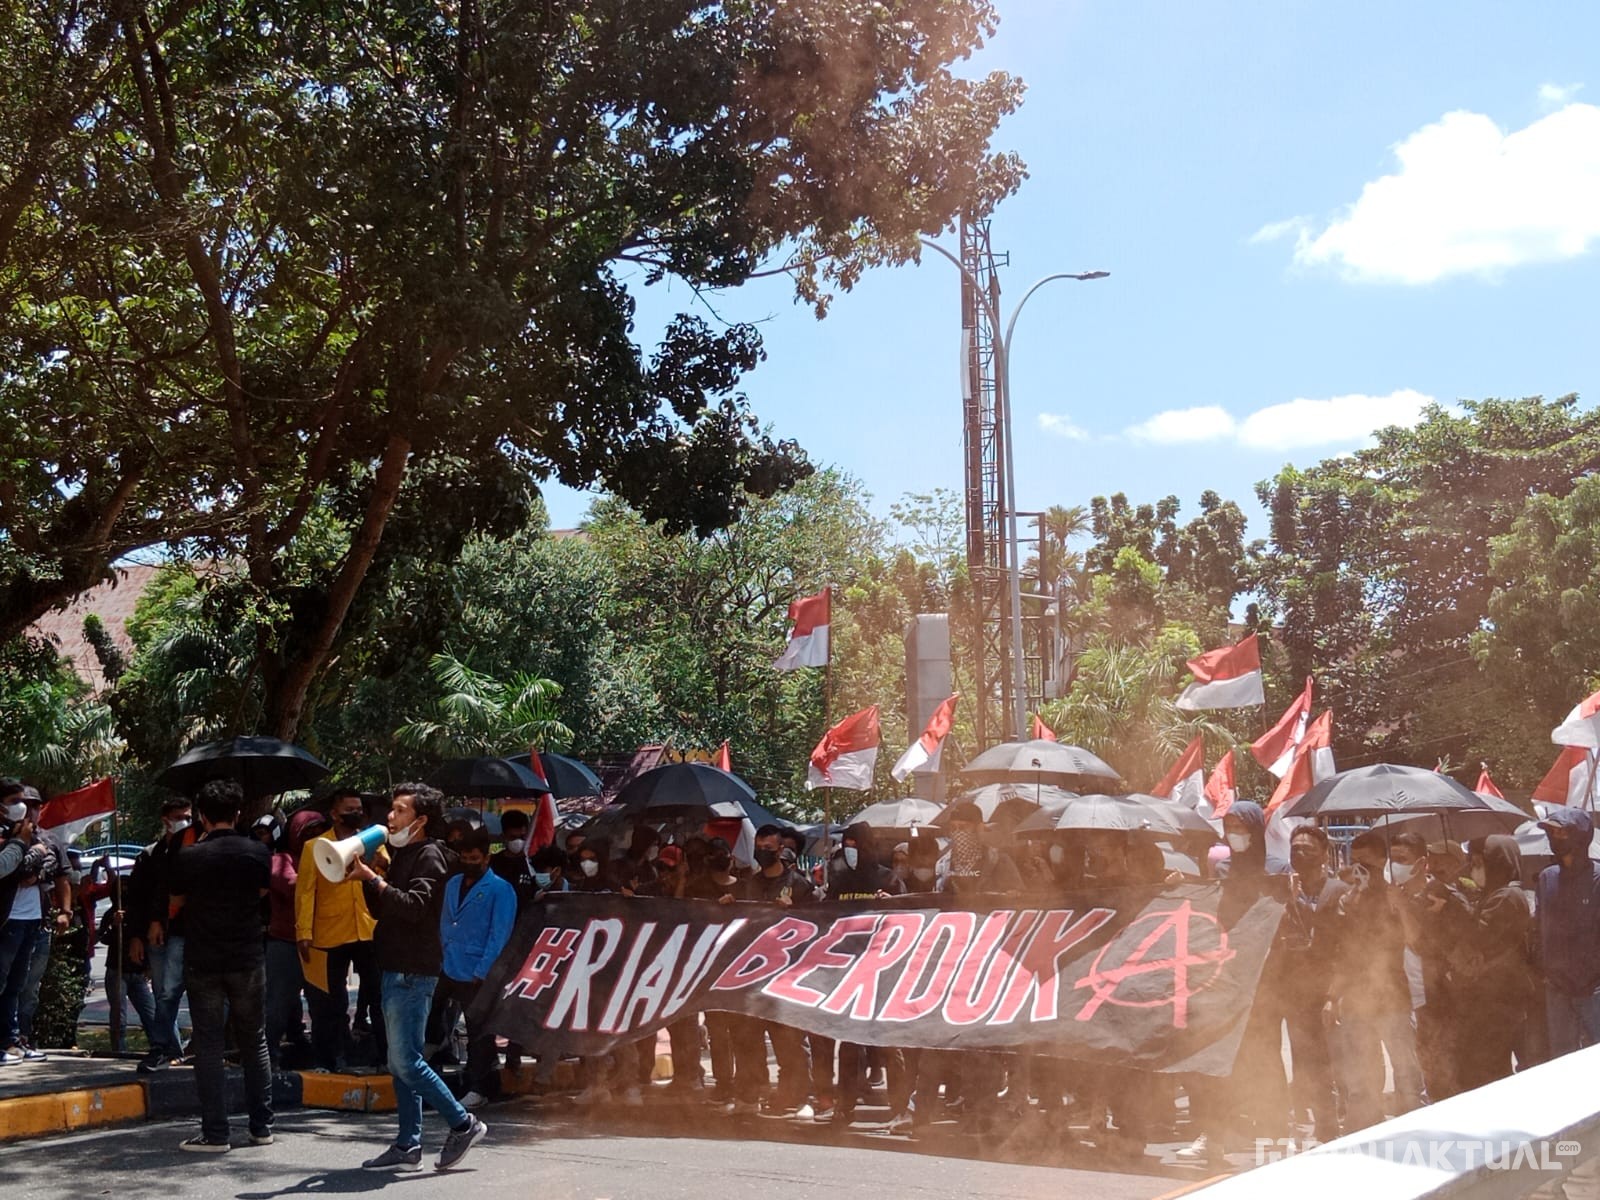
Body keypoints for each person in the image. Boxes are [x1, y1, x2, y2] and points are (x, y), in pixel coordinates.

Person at [347, 782, 487, 1172]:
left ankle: (463, 1123)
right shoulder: (404, 855)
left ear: (421, 820)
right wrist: (370, 877)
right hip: (395, 965)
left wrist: (373, 879)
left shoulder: (430, 856)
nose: (390, 817)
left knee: (407, 1062)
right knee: (399, 1063)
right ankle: (408, 1144)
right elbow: (384, 911)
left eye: (400, 810)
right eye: (391, 810)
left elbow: (413, 907)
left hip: (413, 970)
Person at [169, 779, 274, 1151]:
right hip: (247, 955)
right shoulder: (258, 852)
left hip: (204, 957)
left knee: (209, 1045)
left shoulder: (189, 856)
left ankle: (215, 1132)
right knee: (254, 1040)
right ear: (238, 813)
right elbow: (262, 892)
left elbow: (176, 901)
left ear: (202, 815)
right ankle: (262, 1126)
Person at [1328, 829, 1424, 1132]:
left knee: (1406, 1073)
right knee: (1360, 1078)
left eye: (1367, 864)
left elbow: (1415, 940)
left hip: (1393, 997)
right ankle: (1365, 1131)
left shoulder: (1398, 895)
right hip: (1357, 1001)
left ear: (1383, 862)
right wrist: (1334, 997)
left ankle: (1415, 1131)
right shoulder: (1348, 899)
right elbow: (1342, 951)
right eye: (1356, 863)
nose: (1361, 870)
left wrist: (1400, 905)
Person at [724, 825, 820, 1116]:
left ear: (781, 850)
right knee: (748, 1040)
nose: (762, 853)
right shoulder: (747, 885)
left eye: (768, 848)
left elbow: (820, 924)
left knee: (789, 1041)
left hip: (787, 977)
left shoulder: (799, 886)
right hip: (751, 978)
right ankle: (750, 1096)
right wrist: (726, 908)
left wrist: (795, 911)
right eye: (759, 848)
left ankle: (796, 1098)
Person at [295, 789, 383, 1072]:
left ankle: (385, 1058)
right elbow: (305, 892)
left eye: (358, 809)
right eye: (349, 809)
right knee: (329, 1002)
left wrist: (379, 863)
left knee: (380, 997)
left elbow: (385, 877)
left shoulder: (372, 841)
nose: (355, 813)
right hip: (329, 933)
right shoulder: (315, 847)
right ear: (334, 814)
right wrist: (303, 932)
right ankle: (329, 1060)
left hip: (367, 930)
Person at [1387, 831, 1472, 1102]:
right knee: (1421, 1072)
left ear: (1421, 863)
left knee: (1445, 1074)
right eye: (1392, 858)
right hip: (1405, 998)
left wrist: (1402, 908)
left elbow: (1418, 943)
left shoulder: (1441, 897)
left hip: (1438, 999)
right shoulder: (1394, 896)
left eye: (1402, 859)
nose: (1395, 865)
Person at [437, 825, 518, 1110]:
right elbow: (446, 921)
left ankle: (479, 1087)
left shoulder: (500, 889)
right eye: (465, 858)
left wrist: (483, 971)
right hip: (449, 965)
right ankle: (482, 1082)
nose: (469, 863)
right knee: (438, 1023)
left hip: (479, 971)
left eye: (474, 858)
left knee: (478, 1032)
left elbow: (499, 935)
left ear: (486, 858)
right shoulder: (452, 883)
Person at [1283, 824, 1347, 1143]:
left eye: (1308, 849)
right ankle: (1314, 1128)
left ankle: (1339, 1125)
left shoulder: (1338, 891)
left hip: (1331, 991)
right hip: (1296, 993)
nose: (1300, 854)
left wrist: (1335, 995)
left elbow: (1346, 947)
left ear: (1323, 855)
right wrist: (1289, 901)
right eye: (1295, 849)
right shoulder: (1284, 892)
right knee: (1305, 1062)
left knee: (1336, 1062)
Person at [125, 796, 198, 1074]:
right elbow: (138, 899)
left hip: (191, 932)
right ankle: (165, 1048)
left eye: (188, 817)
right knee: (164, 994)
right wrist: (137, 935)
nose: (184, 822)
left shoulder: (196, 849)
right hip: (158, 935)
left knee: (185, 993)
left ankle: (178, 1048)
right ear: (166, 821)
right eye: (179, 817)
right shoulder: (151, 855)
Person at [1456, 834, 1535, 1089]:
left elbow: (1479, 935)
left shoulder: (1508, 896)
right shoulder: (1492, 894)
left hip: (1504, 996)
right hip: (1491, 996)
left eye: (1480, 864)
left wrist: (1453, 907)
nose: (1474, 870)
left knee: (1496, 1068)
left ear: (1498, 863)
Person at [7, 786, 71, 1062]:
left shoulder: (49, 839)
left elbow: (61, 877)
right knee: (5, 983)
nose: (29, 809)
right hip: (8, 920)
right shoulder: (9, 836)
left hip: (37, 921)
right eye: (22, 803)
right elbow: (19, 873)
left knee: (26, 986)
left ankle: (19, 1037)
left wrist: (65, 911)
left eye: (34, 805)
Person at [1535, 807, 1600, 1056]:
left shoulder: (1598, 879)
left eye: (1561, 832)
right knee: (1563, 1062)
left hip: (1594, 989)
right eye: (1551, 832)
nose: (1554, 838)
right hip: (1557, 990)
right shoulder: (1546, 878)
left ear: (1580, 837)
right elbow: (1539, 927)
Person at [0, 786, 44, 1065]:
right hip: (8, 920)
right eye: (15, 801)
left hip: (30, 919)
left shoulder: (29, 834)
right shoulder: (10, 836)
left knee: (15, 985)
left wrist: (35, 854)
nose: (23, 807)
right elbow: (11, 870)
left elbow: (47, 865)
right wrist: (29, 850)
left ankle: (10, 1040)